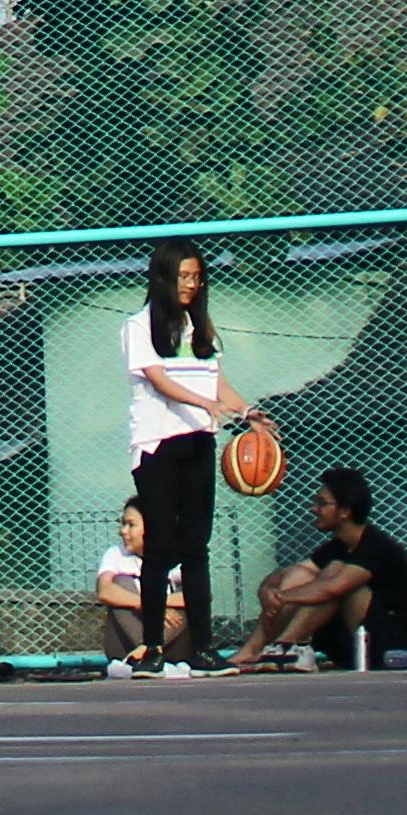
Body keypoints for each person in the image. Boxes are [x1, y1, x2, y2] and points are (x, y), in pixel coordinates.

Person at [123, 242, 253, 675]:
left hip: (199, 442)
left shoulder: (203, 331)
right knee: (160, 544)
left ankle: (202, 648)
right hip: (158, 445)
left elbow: (220, 385)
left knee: (196, 546)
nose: (192, 285)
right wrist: (205, 404)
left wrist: (248, 412)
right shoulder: (139, 327)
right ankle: (153, 648)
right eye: (183, 277)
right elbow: (159, 382)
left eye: (197, 277)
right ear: (163, 277)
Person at [237, 466, 407, 669]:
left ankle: (286, 646)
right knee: (302, 574)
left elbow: (333, 588)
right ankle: (252, 650)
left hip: (395, 644)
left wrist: (281, 597)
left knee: (337, 577)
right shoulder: (338, 546)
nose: (314, 509)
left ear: (344, 512)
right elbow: (285, 574)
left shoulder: (376, 546)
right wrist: (266, 591)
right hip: (348, 640)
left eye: (322, 503)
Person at [95, 496, 157, 672]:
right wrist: (149, 604)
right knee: (119, 583)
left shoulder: (175, 555)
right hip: (127, 646)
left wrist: (162, 603)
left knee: (188, 593)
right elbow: (105, 591)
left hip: (171, 643)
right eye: (123, 524)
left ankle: (150, 649)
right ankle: (148, 648)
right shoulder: (116, 554)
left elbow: (198, 596)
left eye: (131, 525)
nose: (123, 531)